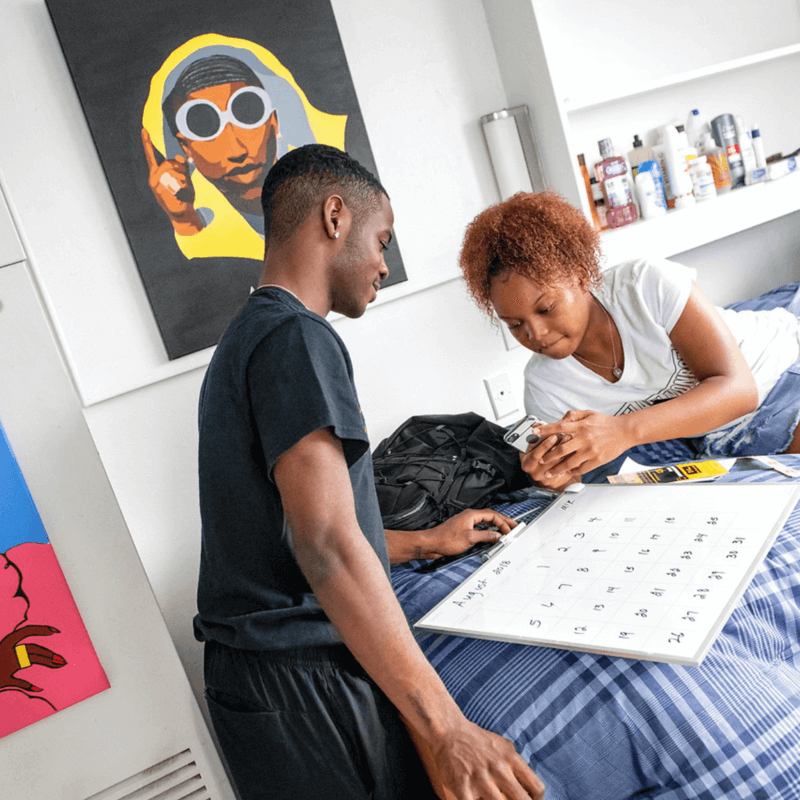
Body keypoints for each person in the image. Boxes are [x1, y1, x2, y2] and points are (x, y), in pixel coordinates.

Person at [194, 144, 545, 800]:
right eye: (382, 240)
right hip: (297, 678)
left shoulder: (249, 337)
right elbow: (326, 546)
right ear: (334, 217)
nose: (384, 263)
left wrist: (425, 542)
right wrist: (445, 729)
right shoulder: (297, 338)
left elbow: (291, 533)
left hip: (254, 681)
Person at [458, 190, 800, 491]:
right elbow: (574, 481)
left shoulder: (646, 284)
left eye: (546, 308)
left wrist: (623, 431)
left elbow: (740, 390)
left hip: (779, 371)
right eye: (515, 324)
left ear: (580, 275)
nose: (536, 334)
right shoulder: (545, 387)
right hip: (717, 436)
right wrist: (552, 477)